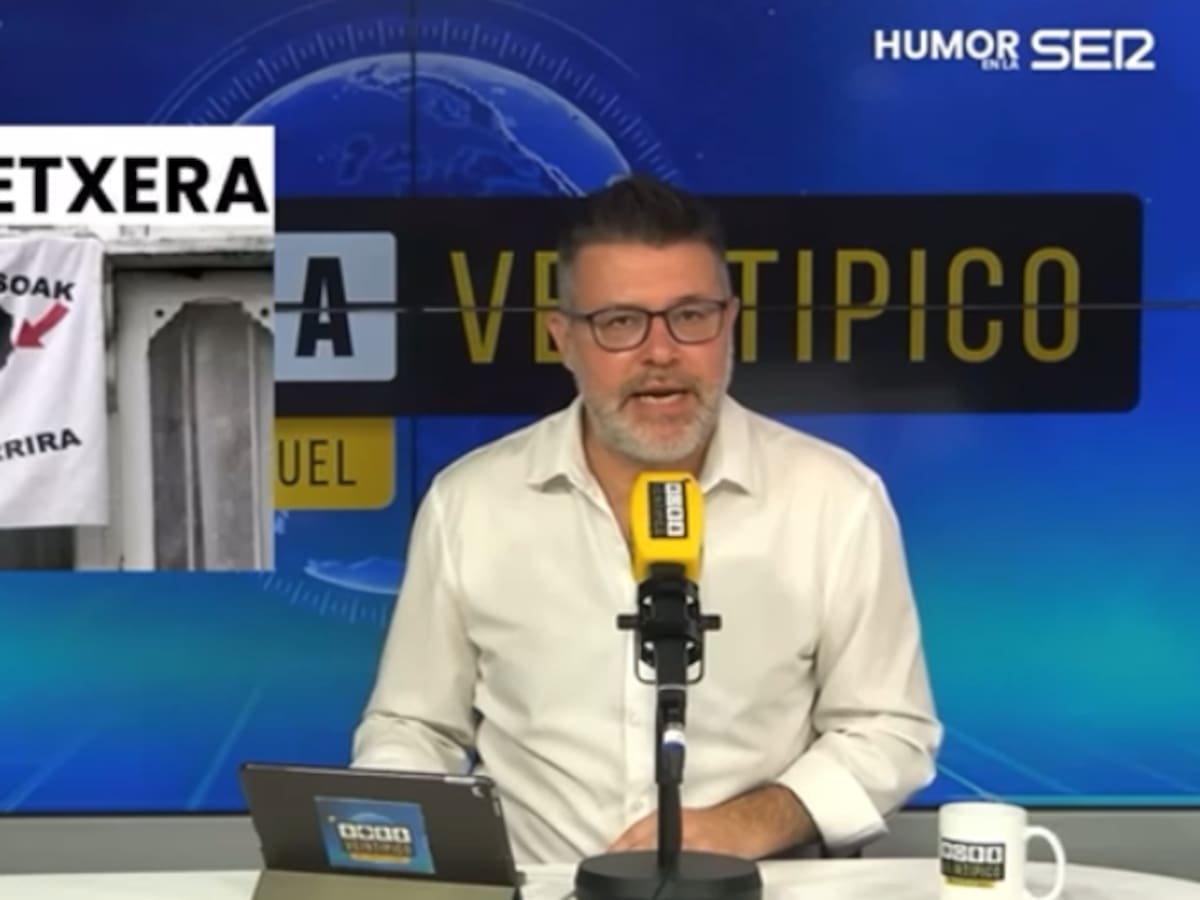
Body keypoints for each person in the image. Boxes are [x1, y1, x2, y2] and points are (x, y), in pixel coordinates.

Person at [352, 173, 943, 866]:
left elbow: (888, 731)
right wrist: (390, 834)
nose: (660, 352)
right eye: (620, 322)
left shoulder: (834, 500)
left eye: (690, 316)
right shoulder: (471, 503)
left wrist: (745, 826)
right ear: (562, 338)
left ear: (730, 323)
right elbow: (414, 724)